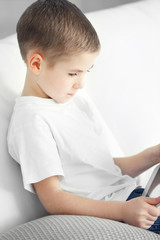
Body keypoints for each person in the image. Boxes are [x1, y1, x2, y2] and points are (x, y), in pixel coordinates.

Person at [7, 0, 160, 234]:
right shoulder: (32, 120)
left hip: (134, 198)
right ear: (36, 63)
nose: (80, 83)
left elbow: (106, 170)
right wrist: (123, 211)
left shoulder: (75, 101)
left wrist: (153, 154)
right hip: (114, 214)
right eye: (72, 73)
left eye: (85, 72)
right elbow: (53, 199)